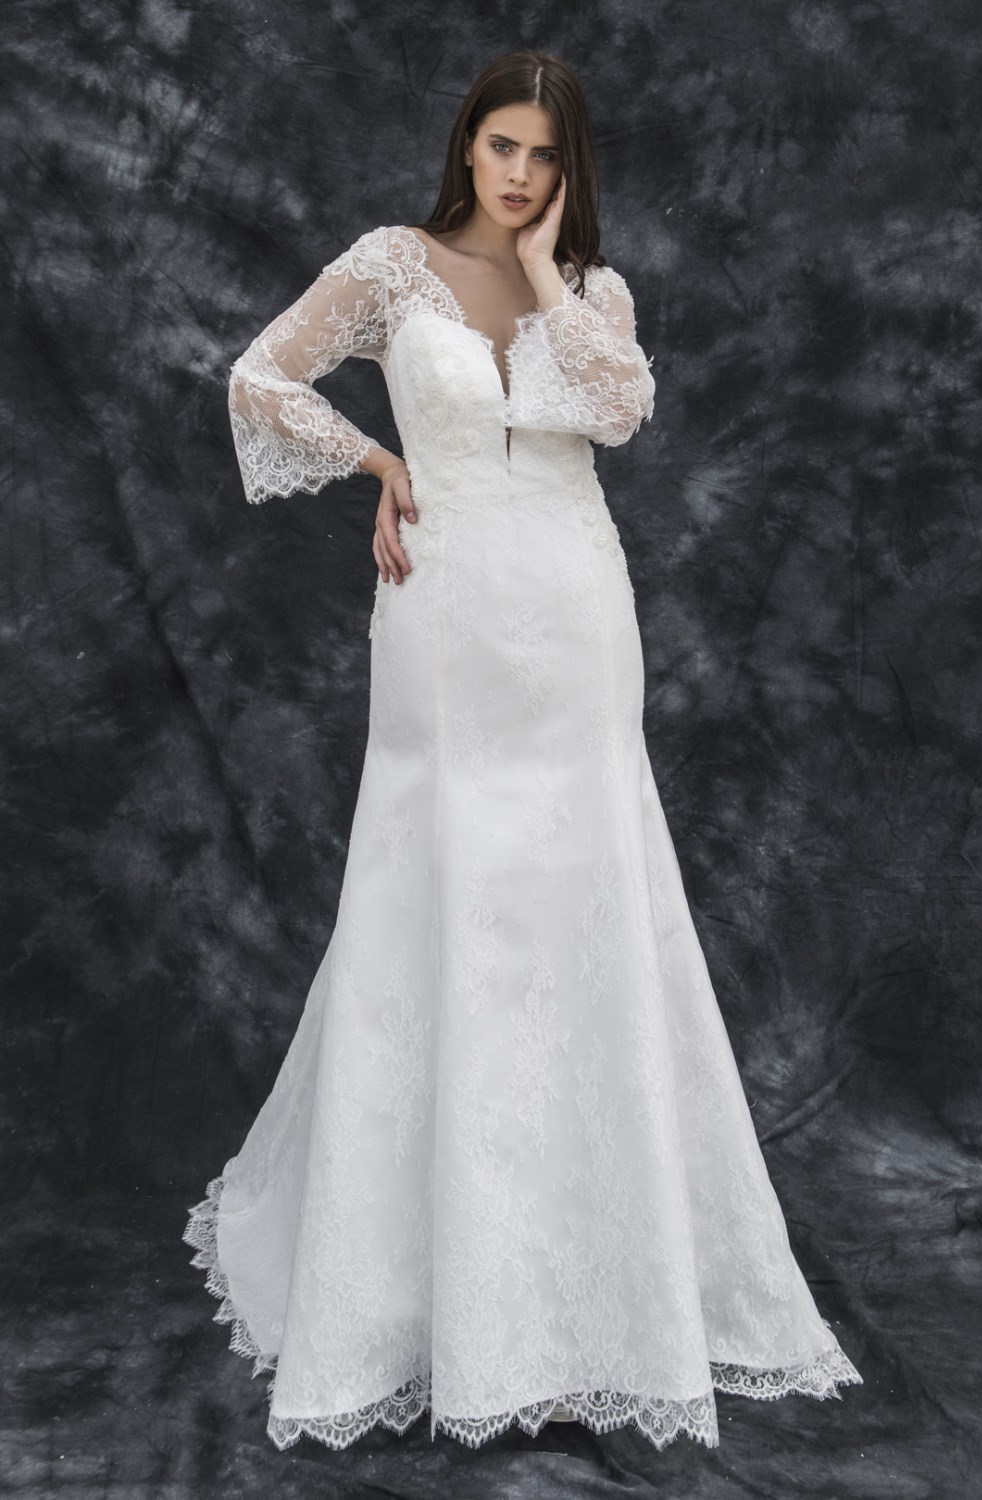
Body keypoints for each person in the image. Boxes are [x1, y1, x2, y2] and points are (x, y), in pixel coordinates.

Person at [183, 49, 863, 1454]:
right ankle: (423, 1289)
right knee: (440, 890)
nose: (517, 173)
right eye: (501, 145)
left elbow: (616, 412)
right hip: (445, 617)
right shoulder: (391, 266)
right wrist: (381, 465)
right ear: (466, 144)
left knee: (583, 895)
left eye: (544, 156)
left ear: (568, 172)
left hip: (576, 614)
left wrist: (550, 272)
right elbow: (260, 374)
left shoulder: (596, 294)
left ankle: (595, 1282)